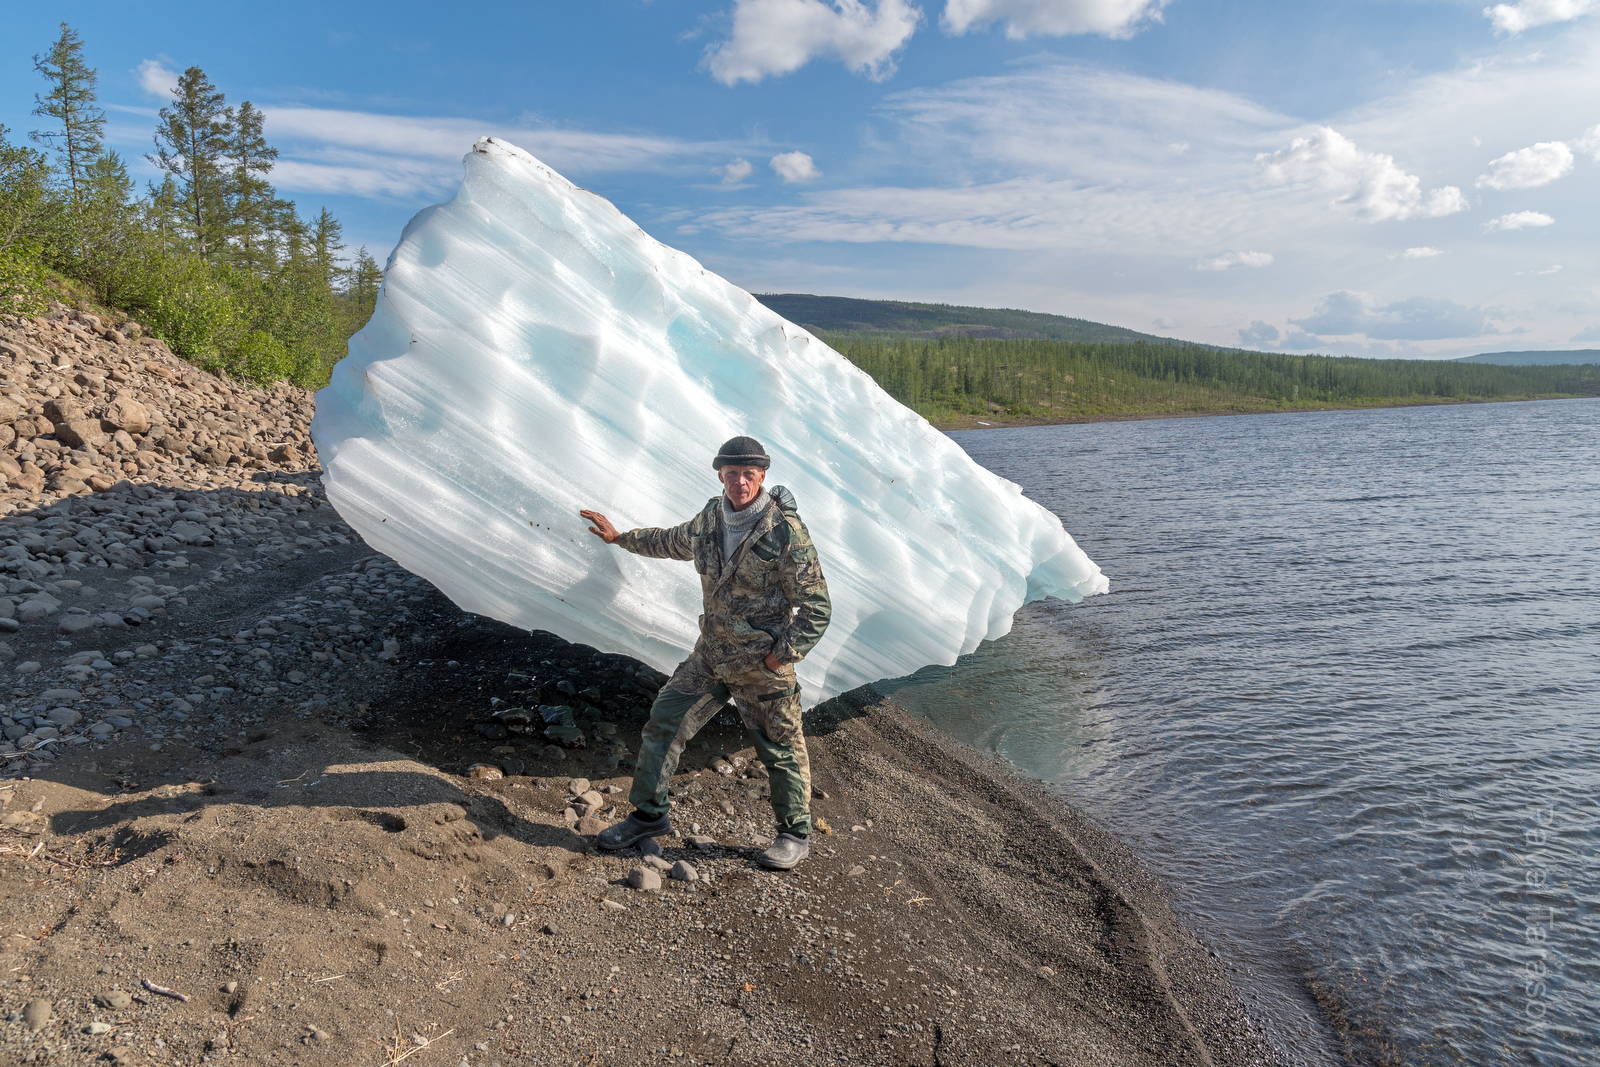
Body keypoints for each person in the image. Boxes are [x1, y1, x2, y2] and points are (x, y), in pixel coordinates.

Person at [578, 436, 831, 870]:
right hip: (711, 655)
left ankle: (794, 834)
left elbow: (817, 607)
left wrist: (779, 656)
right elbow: (672, 541)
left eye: (749, 474)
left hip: (761, 665)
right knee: (665, 721)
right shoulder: (712, 518)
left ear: (763, 476)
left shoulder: (784, 532)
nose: (740, 482)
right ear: (720, 475)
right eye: (731, 474)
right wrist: (621, 538)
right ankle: (649, 816)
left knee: (781, 745)